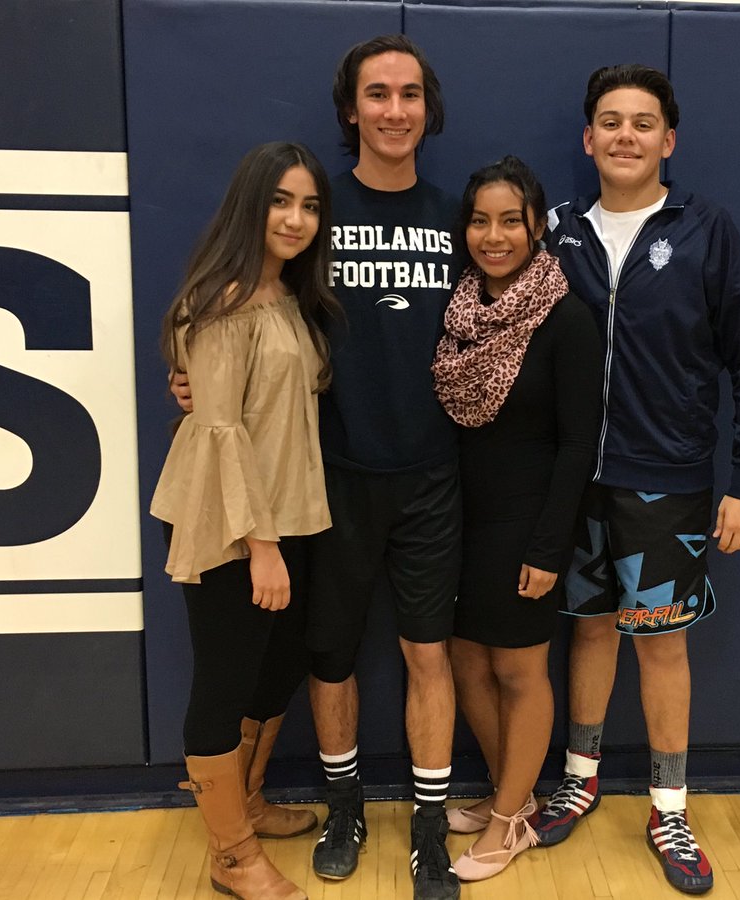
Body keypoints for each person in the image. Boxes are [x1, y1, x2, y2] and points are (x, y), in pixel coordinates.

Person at [174, 35, 464, 900]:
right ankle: (284, 830)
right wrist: (197, 378)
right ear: (352, 110)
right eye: (377, 94)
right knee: (290, 661)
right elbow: (225, 358)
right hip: (311, 490)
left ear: (427, 109)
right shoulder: (303, 245)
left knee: (335, 658)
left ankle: (392, 822)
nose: (395, 110)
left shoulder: (451, 219)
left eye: (411, 94)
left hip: (398, 483)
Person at [531, 65, 740, 895]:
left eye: (643, 123)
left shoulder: (706, 230)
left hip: (665, 481)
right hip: (574, 482)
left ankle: (669, 804)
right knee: (591, 630)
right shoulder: (558, 231)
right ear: (588, 139)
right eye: (610, 121)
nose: (626, 135)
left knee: (660, 642)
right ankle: (580, 774)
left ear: (667, 141)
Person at [151, 141, 339, 900]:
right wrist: (261, 548)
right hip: (228, 522)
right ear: (251, 206)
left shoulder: (288, 296)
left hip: (287, 514)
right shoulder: (222, 300)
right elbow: (222, 430)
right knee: (224, 683)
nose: (296, 219)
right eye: (281, 201)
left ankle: (249, 802)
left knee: (279, 663)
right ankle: (230, 856)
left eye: (310, 206)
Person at [430, 156, 601, 881]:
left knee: (519, 669)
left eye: (509, 220)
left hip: (529, 523)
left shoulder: (566, 316)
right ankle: (518, 796)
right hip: (459, 519)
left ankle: (507, 826)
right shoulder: (457, 313)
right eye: (479, 220)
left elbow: (576, 443)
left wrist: (549, 544)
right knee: (466, 661)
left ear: (537, 226)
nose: (493, 236)